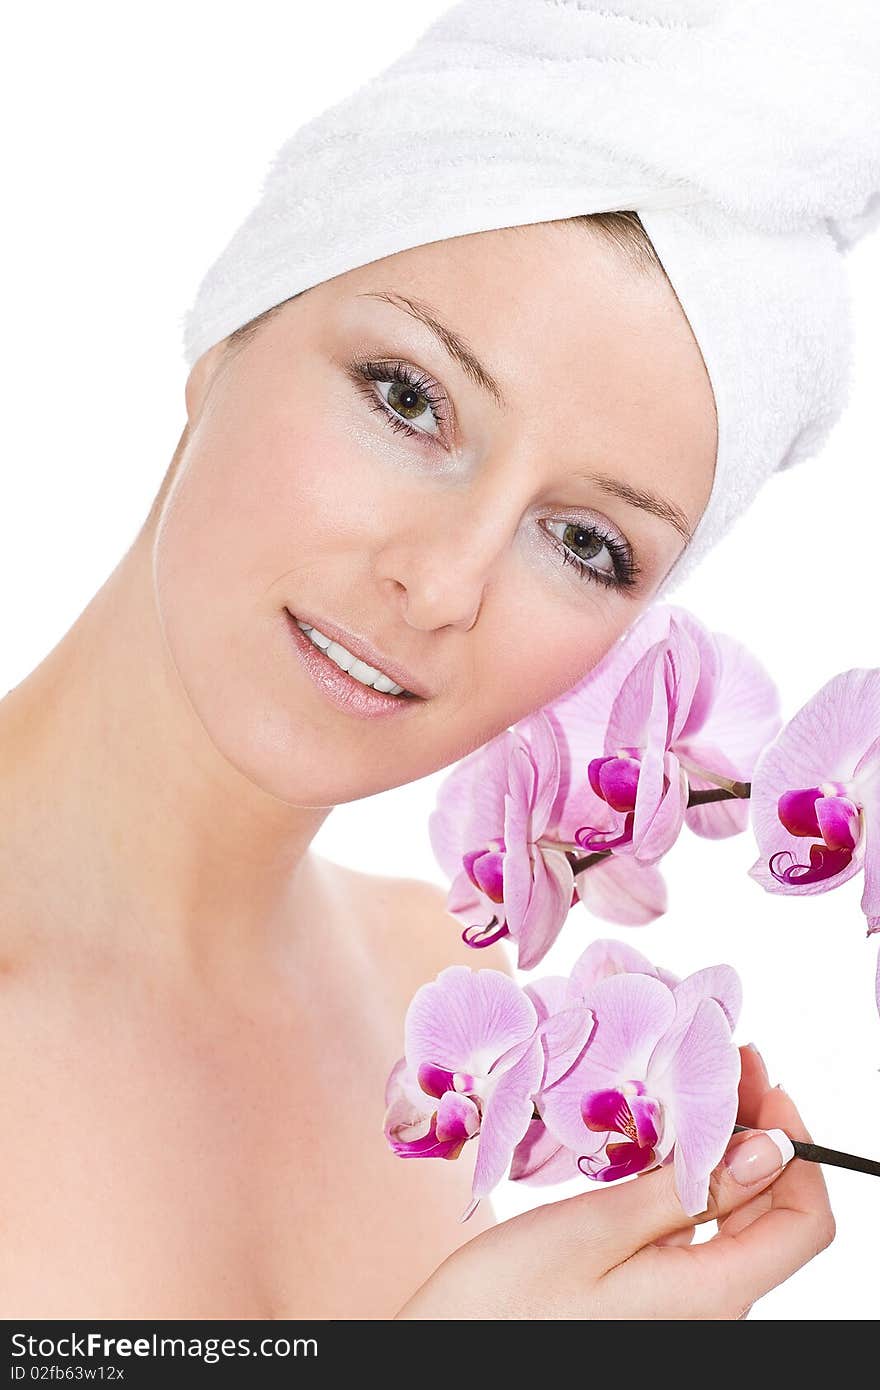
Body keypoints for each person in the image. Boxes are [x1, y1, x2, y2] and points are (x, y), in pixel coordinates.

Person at [0, 210, 835, 1320]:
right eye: (408, 398)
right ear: (232, 328)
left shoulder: (453, 1004)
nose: (442, 586)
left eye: (587, 542)